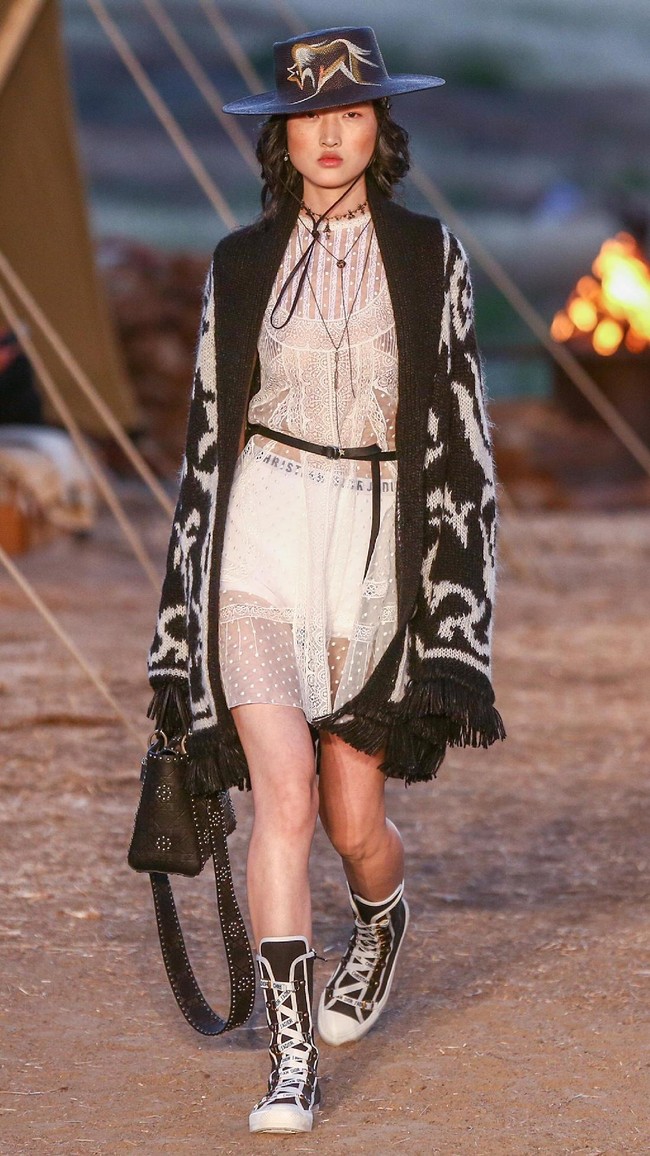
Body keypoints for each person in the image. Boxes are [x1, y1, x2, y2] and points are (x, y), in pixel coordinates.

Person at [147, 25, 505, 1135]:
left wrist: (456, 600)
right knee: (285, 803)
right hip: (261, 531)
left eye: (351, 114)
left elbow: (460, 434)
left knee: (354, 821)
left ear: (378, 129)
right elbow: (207, 443)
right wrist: (178, 621)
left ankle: (382, 917)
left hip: (372, 542)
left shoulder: (430, 256)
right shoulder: (238, 264)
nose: (331, 135)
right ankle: (290, 1058)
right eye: (311, 117)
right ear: (283, 136)